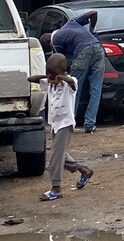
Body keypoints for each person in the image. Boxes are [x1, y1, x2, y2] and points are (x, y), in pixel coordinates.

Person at [28, 54, 93, 201]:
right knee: (61, 155)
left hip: (65, 123)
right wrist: (49, 76)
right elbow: (30, 79)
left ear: (63, 70)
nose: (50, 76)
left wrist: (60, 77)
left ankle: (56, 188)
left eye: (53, 72)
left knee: (55, 158)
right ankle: (84, 171)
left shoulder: (69, 84)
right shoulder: (49, 82)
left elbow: (71, 81)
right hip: (55, 123)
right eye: (48, 72)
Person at [50, 10, 105, 133]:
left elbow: (60, 61)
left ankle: (69, 124)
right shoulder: (72, 22)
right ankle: (89, 125)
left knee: (73, 89)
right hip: (98, 47)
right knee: (96, 90)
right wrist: (92, 29)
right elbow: (94, 12)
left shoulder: (56, 40)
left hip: (82, 52)